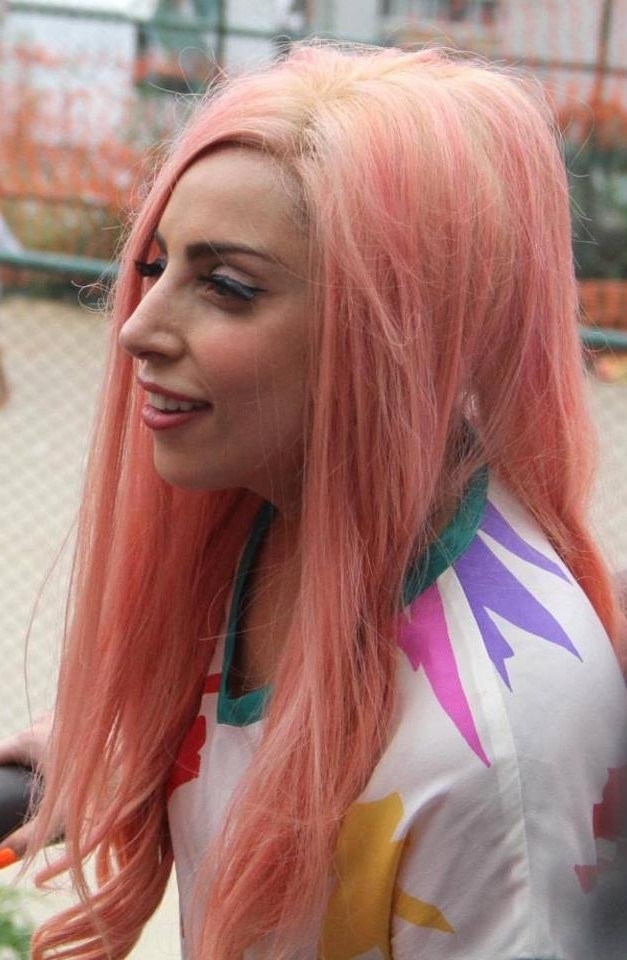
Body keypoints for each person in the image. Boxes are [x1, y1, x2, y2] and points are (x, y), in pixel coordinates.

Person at [0, 41, 626, 960]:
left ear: (399, 329)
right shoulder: (272, 512)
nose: (136, 327)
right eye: (156, 264)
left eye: (227, 286)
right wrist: (117, 752)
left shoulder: (498, 756)